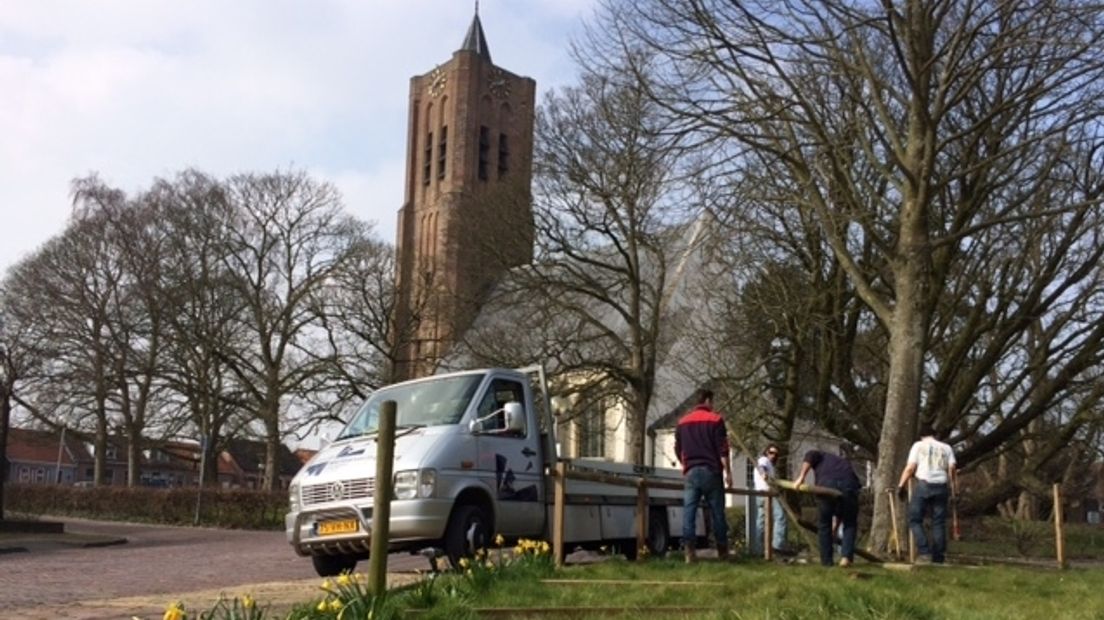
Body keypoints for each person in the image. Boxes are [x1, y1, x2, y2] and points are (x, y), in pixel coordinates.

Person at [675, 388, 733, 563]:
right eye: (712, 401)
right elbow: (723, 449)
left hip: (691, 472)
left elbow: (678, 448)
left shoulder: (682, 422)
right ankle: (722, 552)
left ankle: (689, 553)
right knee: (717, 513)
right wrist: (728, 473)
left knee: (689, 513)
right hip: (711, 471)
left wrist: (684, 464)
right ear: (708, 401)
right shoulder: (716, 419)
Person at [897, 423, 957, 564]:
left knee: (914, 519)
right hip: (942, 485)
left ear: (921, 436)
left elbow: (910, 468)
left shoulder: (918, 446)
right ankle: (938, 556)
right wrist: (954, 488)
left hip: (924, 484)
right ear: (935, 435)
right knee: (938, 522)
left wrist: (901, 485)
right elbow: (952, 468)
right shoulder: (946, 448)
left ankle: (924, 552)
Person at [793, 447, 861, 567]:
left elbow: (810, 454)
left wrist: (801, 477)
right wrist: (836, 527)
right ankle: (846, 557)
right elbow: (842, 511)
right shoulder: (842, 463)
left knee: (824, 524)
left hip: (826, 485)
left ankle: (827, 562)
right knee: (849, 522)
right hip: (850, 485)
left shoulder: (820, 454)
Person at [751, 444, 787, 555]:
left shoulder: (771, 465)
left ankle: (758, 549)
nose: (773, 455)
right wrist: (764, 474)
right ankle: (777, 546)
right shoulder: (763, 460)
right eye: (771, 452)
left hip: (761, 493)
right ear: (766, 452)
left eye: (776, 454)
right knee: (780, 517)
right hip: (766, 493)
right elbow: (762, 467)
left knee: (761, 521)